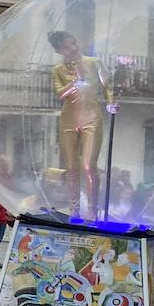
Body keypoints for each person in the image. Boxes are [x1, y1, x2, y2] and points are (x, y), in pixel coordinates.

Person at [48, 29, 116, 216]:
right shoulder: (57, 70)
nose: (72, 49)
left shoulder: (93, 63)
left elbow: (107, 86)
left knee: (87, 165)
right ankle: (74, 211)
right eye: (66, 47)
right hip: (68, 119)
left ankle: (93, 211)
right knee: (71, 166)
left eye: (73, 44)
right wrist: (75, 82)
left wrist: (111, 103)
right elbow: (60, 94)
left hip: (91, 118)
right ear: (59, 51)